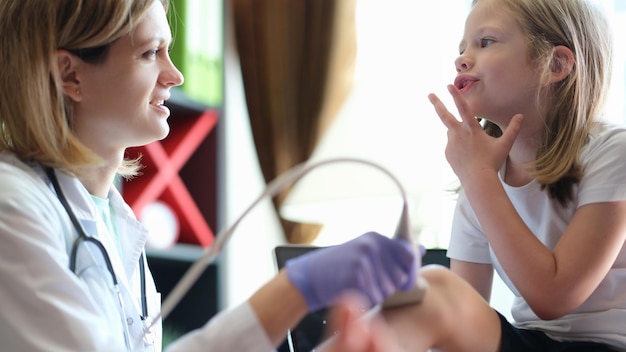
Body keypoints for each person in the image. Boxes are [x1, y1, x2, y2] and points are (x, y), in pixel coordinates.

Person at [0, 0, 420, 351]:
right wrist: (292, 291)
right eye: (150, 53)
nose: (175, 75)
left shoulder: (114, 220)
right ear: (71, 75)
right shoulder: (12, 206)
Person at [369, 0, 626, 351]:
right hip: (534, 342)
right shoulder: (479, 180)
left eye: (485, 42)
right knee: (431, 293)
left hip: (608, 346)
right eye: (462, 48)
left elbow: (553, 297)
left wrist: (478, 177)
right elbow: (461, 309)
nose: (462, 58)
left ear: (557, 64)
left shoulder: (612, 152)